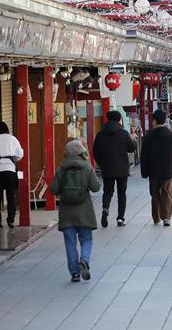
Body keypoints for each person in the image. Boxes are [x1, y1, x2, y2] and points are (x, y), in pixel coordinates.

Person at [50, 140, 101, 283]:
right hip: (84, 211)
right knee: (87, 239)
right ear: (81, 151)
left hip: (67, 213)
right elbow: (96, 187)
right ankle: (84, 260)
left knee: (70, 243)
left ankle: (74, 273)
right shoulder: (87, 168)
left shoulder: (61, 169)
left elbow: (53, 189)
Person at [93, 110, 136, 228]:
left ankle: (105, 208)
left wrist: (102, 164)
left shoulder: (100, 134)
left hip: (107, 168)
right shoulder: (124, 133)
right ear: (119, 120)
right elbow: (132, 149)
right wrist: (133, 139)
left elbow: (95, 151)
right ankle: (120, 218)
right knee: (122, 193)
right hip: (122, 169)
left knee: (108, 191)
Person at [140, 109, 172, 226]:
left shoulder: (149, 137)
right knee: (167, 193)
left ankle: (156, 217)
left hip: (153, 171)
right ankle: (167, 217)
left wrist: (144, 171)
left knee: (155, 194)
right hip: (168, 170)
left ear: (154, 121)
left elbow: (144, 155)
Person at [0, 122, 23, 229]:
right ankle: (11, 220)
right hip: (10, 170)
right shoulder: (13, 139)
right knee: (10, 196)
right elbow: (20, 154)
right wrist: (13, 159)